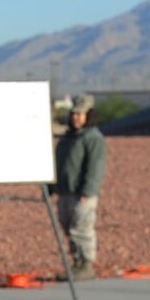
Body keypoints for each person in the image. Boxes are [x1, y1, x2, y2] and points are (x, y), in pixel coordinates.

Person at [54, 96, 107, 279]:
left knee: (82, 228)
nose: (76, 117)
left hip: (82, 194)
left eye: (80, 114)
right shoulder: (69, 138)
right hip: (66, 191)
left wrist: (88, 190)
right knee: (68, 226)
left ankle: (86, 265)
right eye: (74, 113)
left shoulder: (93, 138)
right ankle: (77, 263)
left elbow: (96, 166)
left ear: (88, 115)